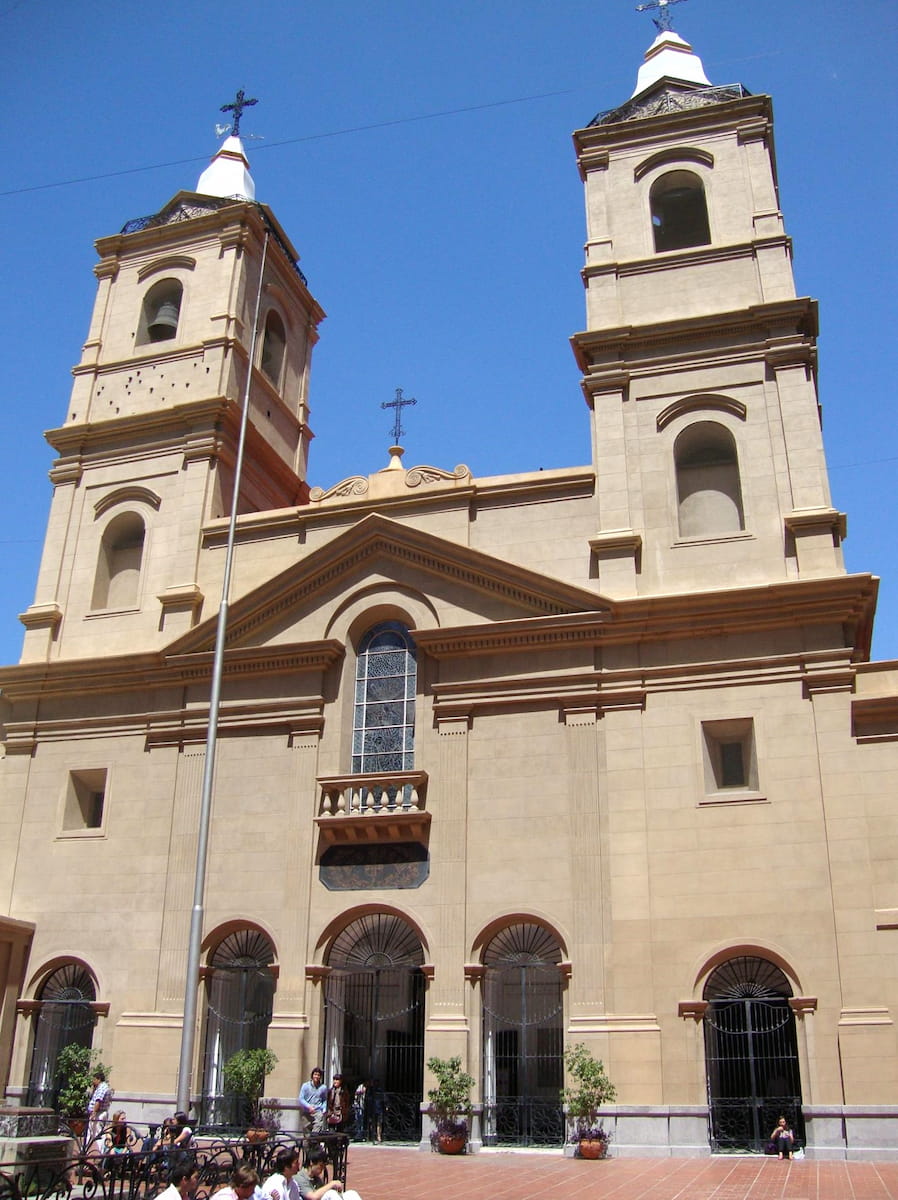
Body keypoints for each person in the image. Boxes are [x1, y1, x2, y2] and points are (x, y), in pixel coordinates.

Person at [293, 1149, 362, 1200]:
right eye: (321, 1166)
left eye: (324, 1166)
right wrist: (331, 1184)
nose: (322, 1169)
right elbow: (313, 1197)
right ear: (311, 1163)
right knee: (331, 1194)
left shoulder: (316, 1178)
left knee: (351, 1193)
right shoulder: (299, 1178)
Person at [87, 1069, 111, 1149]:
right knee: (90, 1132)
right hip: (98, 1112)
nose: (93, 1081)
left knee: (98, 1133)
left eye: (94, 1079)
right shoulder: (101, 1087)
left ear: (99, 1079)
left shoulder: (102, 1088)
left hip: (98, 1113)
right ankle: (85, 1149)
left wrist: (94, 1113)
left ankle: (103, 1150)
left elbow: (98, 1101)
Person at [298, 1067, 327, 1132]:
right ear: (312, 1075)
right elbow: (301, 1099)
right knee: (307, 1133)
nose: (316, 1076)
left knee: (316, 1131)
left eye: (318, 1075)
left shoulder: (323, 1087)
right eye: (315, 1074)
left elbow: (324, 1100)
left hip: (318, 1112)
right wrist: (309, 1106)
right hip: (307, 1112)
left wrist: (324, 1109)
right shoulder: (305, 1086)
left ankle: (314, 1138)